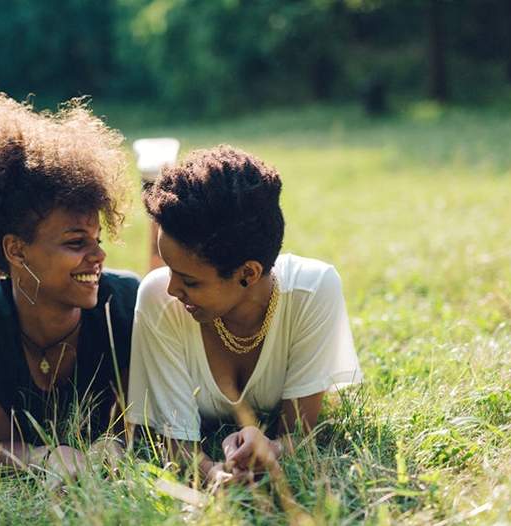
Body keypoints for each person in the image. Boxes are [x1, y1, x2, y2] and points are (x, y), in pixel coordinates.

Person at [0, 93, 138, 478]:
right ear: (16, 249)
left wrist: (116, 444)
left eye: (98, 240)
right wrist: (43, 456)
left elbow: (133, 423)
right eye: (76, 243)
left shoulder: (122, 306)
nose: (98, 256)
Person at [126, 145, 362, 485]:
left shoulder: (313, 291)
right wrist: (214, 475)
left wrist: (271, 447)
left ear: (248, 274)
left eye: (189, 281)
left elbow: (300, 434)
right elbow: (174, 445)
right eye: (170, 270)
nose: (171, 289)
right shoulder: (158, 299)